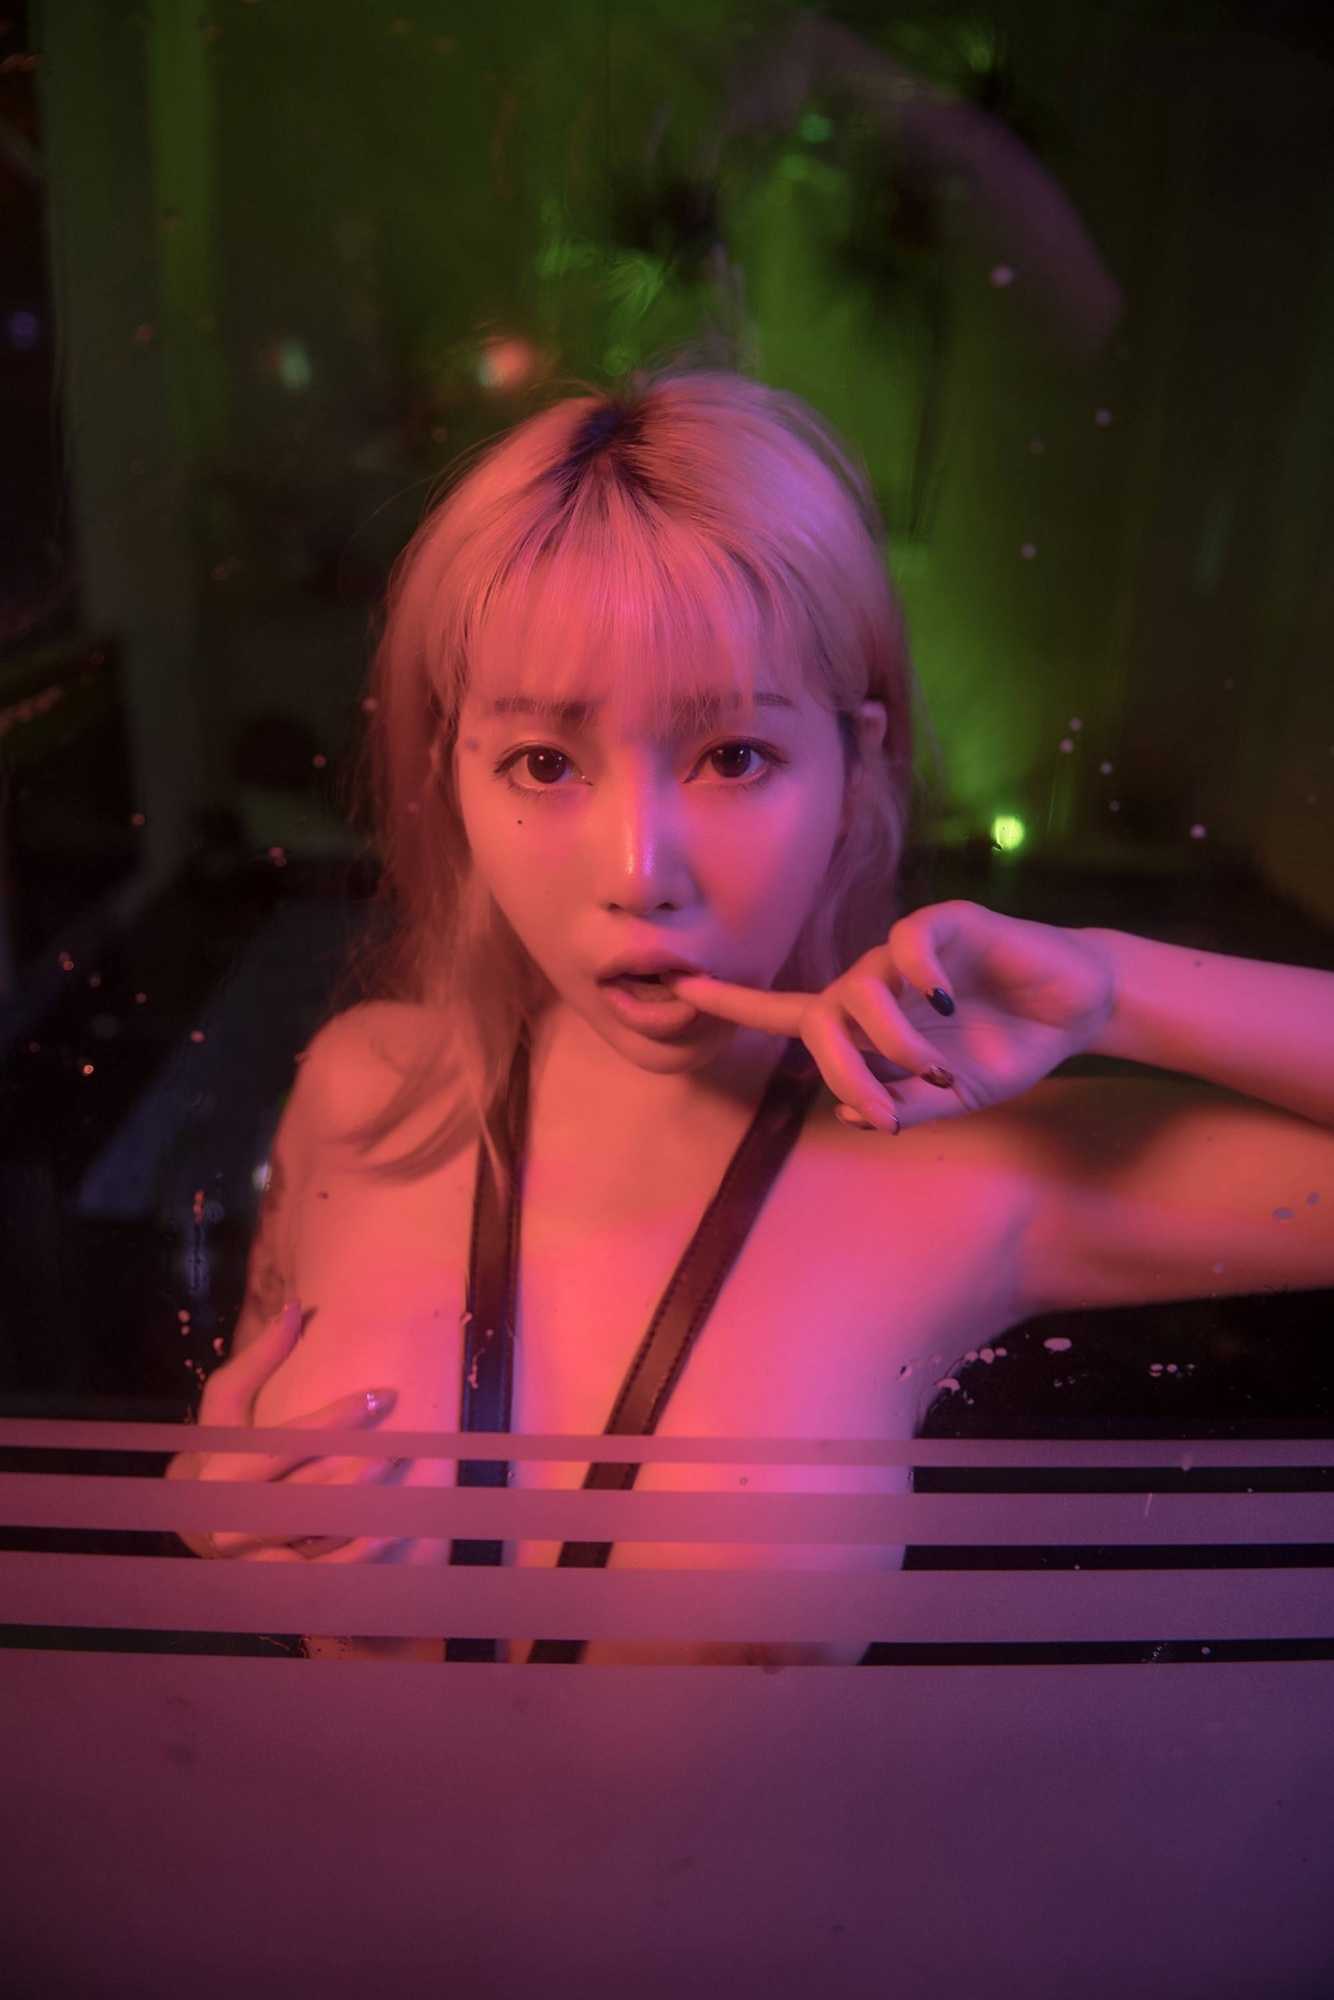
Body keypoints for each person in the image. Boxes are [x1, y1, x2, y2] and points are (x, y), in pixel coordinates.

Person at [165, 363, 1334, 1665]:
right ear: (452, 773)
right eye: (543, 763)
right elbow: (241, 1444)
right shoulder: (363, 1090)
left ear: (854, 765)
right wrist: (217, 1510)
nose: (637, 873)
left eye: (733, 756)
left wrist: (1118, 985)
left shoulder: (956, 1167)